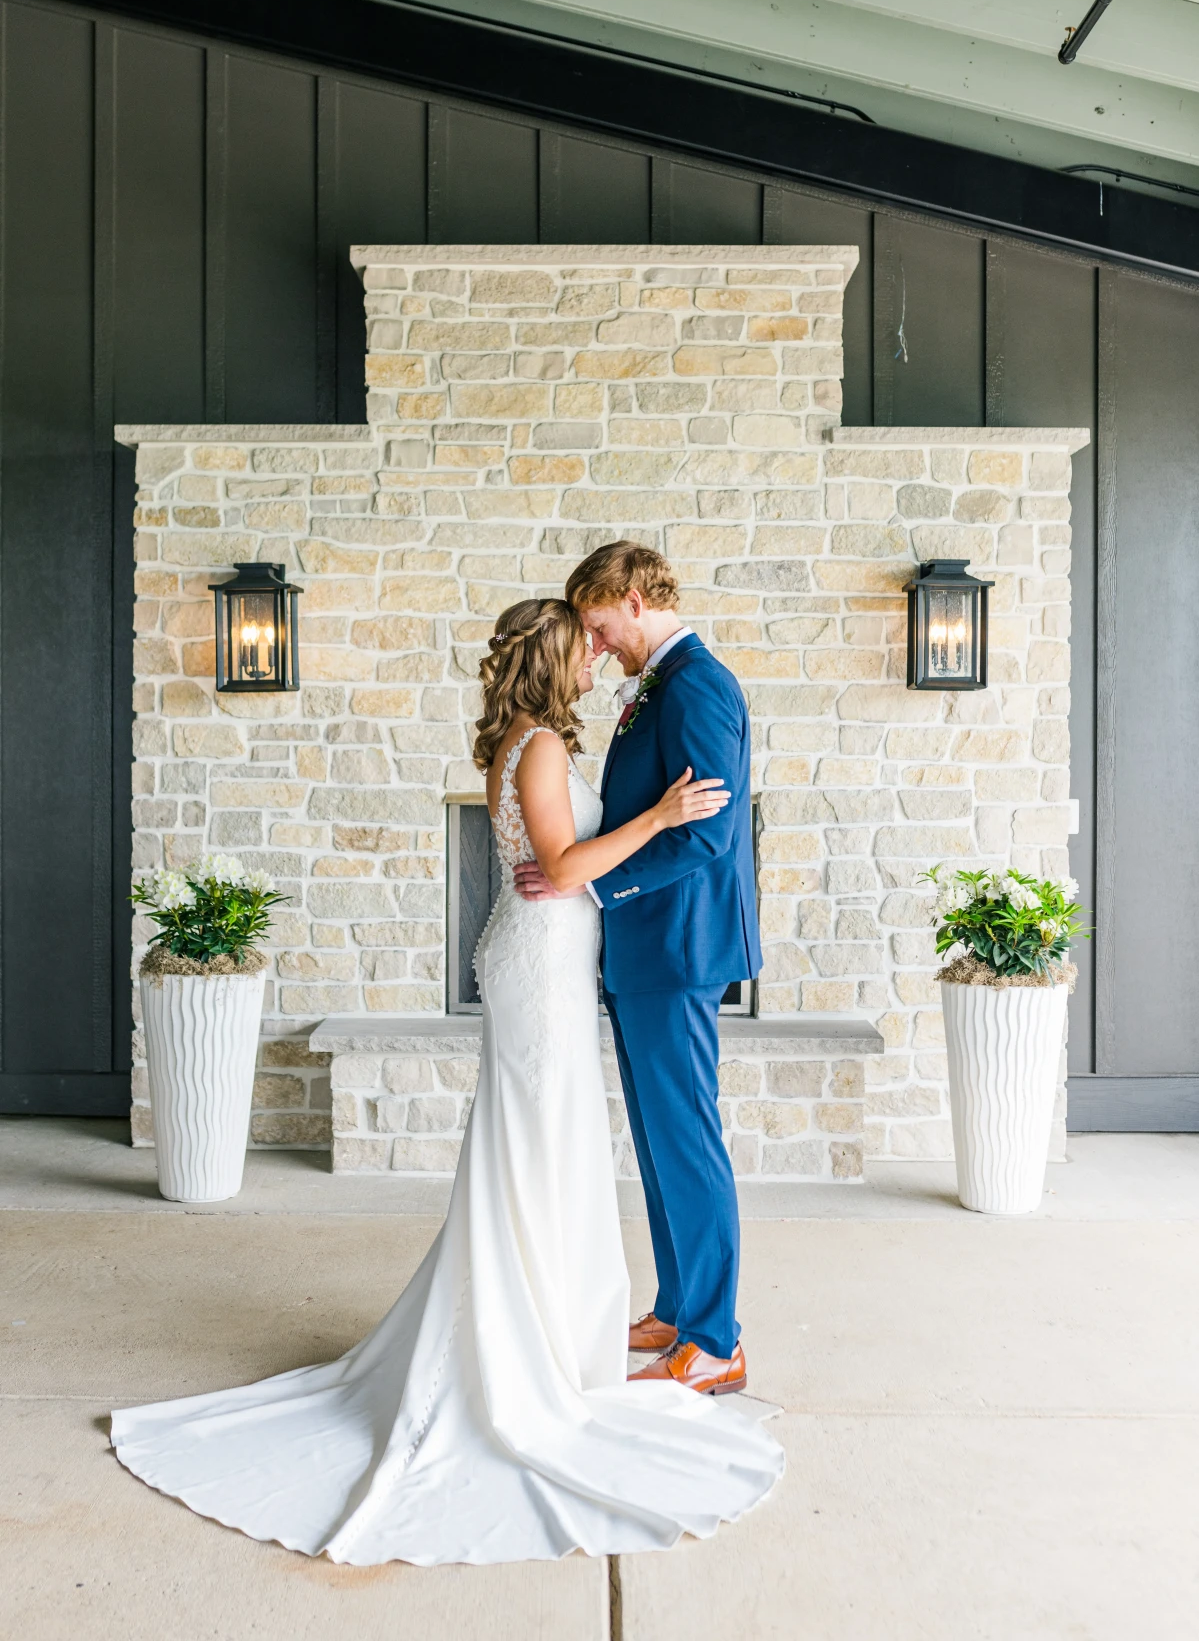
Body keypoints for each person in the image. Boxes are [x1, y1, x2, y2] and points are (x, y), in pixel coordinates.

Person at [109, 597, 783, 1566]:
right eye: (582, 646)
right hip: (544, 964)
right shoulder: (542, 746)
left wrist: (642, 836)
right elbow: (560, 864)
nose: (596, 657)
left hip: (551, 961)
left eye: (601, 636)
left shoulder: (523, 738)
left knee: (537, 1149)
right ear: (554, 661)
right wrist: (663, 816)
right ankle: (548, 1342)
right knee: (543, 1147)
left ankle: (605, 1320)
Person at [515, 544, 761, 1396]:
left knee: (686, 1138)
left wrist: (595, 885)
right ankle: (678, 1306)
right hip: (646, 948)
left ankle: (715, 1339)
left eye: (596, 621)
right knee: (658, 1141)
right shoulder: (659, 682)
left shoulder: (694, 683)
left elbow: (706, 832)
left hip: (676, 946)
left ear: (629, 597)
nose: (594, 640)